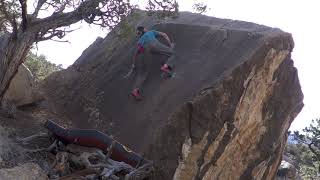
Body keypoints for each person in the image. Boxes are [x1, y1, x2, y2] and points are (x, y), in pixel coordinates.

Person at [130, 26, 175, 100]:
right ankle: (165, 66)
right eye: (145, 28)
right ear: (144, 29)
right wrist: (170, 44)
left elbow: (136, 53)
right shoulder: (150, 32)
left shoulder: (139, 41)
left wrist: (134, 64)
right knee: (171, 53)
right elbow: (164, 34)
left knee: (143, 73)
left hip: (145, 52)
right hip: (154, 44)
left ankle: (135, 90)